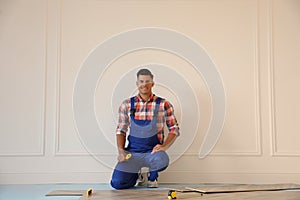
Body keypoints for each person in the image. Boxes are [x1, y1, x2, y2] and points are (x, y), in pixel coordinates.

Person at [110, 68, 180, 189]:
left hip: (152, 152)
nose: (144, 84)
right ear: (137, 83)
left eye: (147, 81)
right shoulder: (127, 104)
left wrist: (163, 147)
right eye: (141, 81)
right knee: (118, 183)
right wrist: (121, 151)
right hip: (132, 153)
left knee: (162, 160)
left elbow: (174, 129)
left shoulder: (163, 104)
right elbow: (121, 130)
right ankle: (137, 175)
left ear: (152, 83)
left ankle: (152, 176)